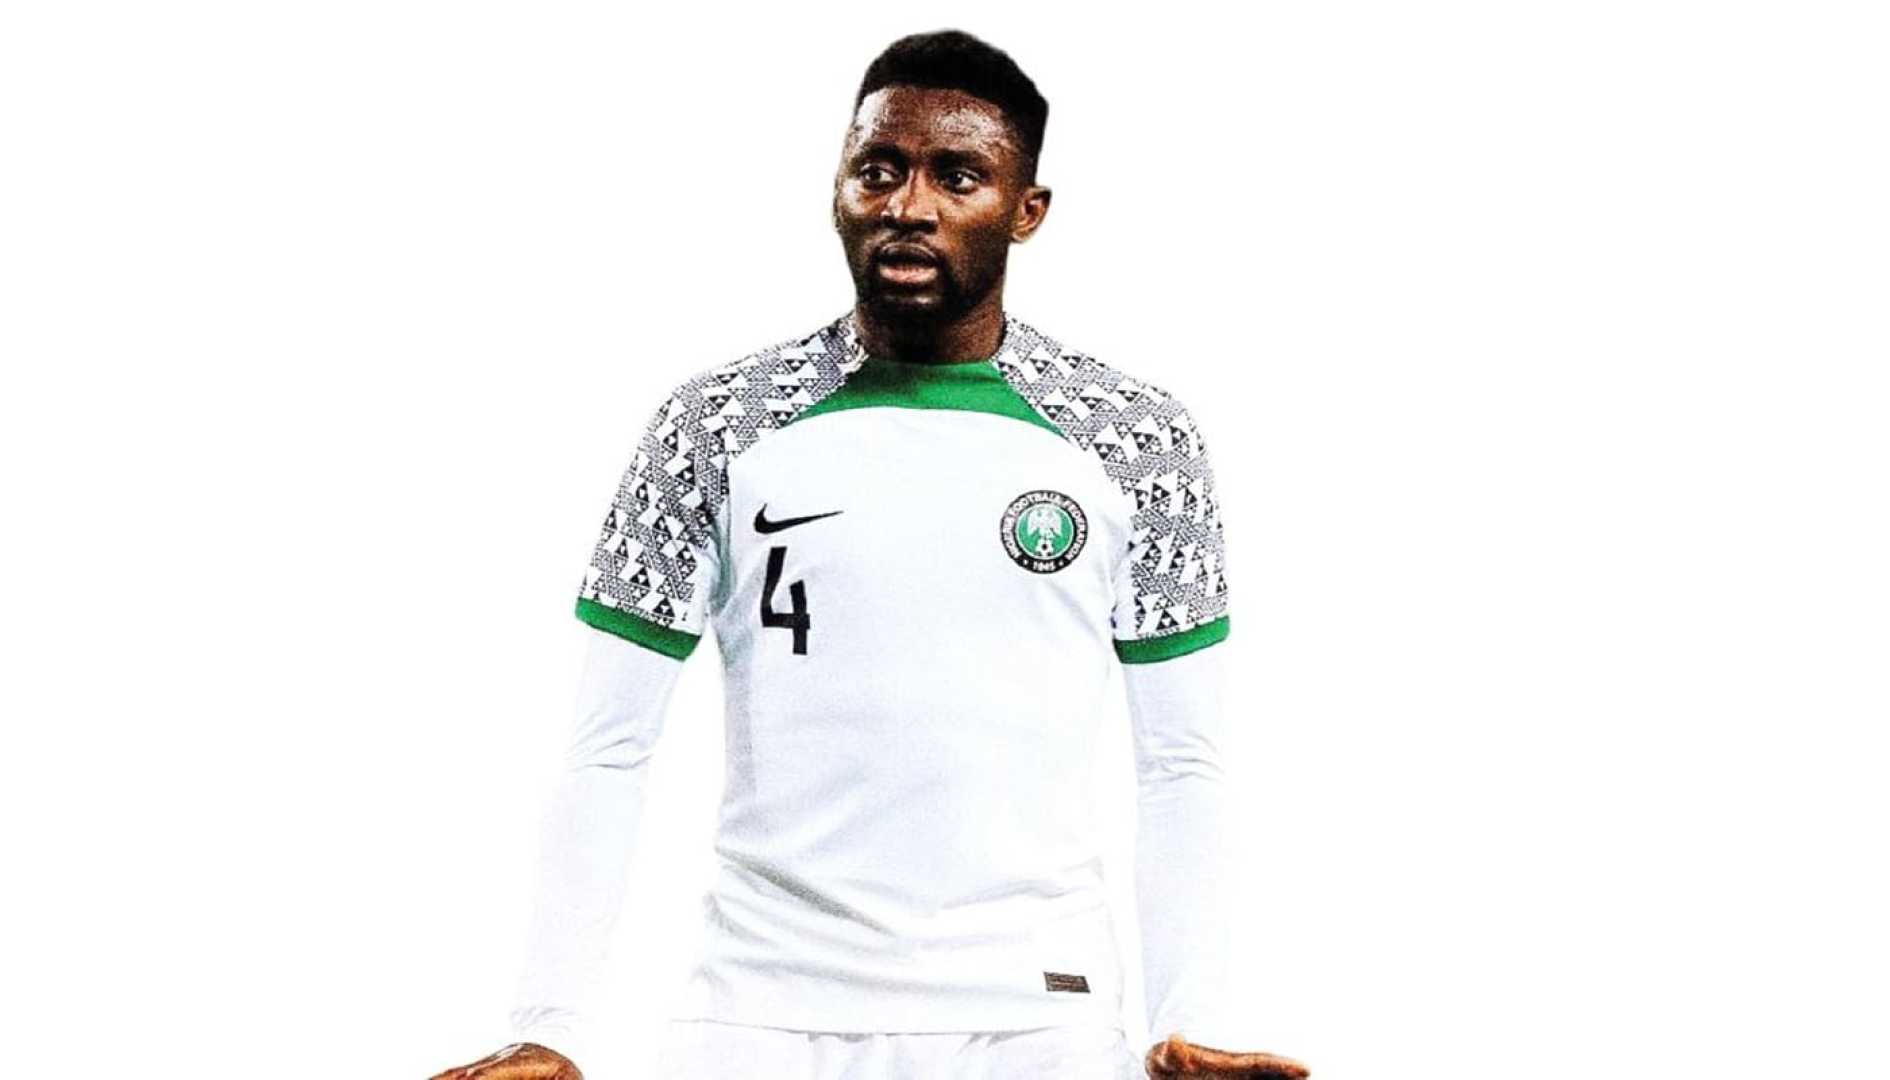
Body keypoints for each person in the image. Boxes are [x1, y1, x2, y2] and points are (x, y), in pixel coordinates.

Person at [429, 29, 1307, 1080]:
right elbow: (607, 749)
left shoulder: (1135, 439)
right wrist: (551, 1025)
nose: (909, 206)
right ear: (839, 188)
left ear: (1026, 210)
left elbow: (1181, 762)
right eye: (878, 170)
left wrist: (1189, 1016)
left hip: (1037, 1017)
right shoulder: (715, 424)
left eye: (958, 177)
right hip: (757, 1014)